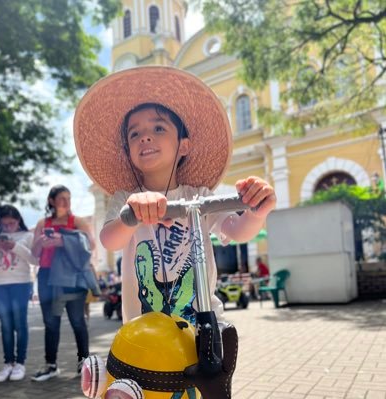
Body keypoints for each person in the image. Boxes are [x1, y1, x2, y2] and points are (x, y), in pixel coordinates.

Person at [74, 66, 277, 327]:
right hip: (144, 329)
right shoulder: (125, 198)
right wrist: (130, 216)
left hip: (201, 325)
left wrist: (256, 212)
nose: (145, 136)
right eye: (134, 133)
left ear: (183, 146)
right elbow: (109, 240)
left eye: (159, 128)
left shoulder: (199, 196)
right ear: (128, 151)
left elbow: (237, 231)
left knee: (216, 361)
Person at [31, 185, 95, 381]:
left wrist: (64, 241)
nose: (66, 202)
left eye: (69, 198)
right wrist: (41, 242)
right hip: (47, 276)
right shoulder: (43, 223)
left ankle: (82, 363)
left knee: (77, 321)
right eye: (61, 198)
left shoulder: (78, 221)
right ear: (51, 201)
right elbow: (34, 255)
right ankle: (51, 365)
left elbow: (90, 246)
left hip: (72, 277)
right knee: (50, 323)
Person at [0, 205, 37, 382]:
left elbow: (34, 259)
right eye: (4, 224)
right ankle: (8, 363)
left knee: (19, 323)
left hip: (21, 283)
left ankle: (20, 363)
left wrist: (15, 246)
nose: (8, 227)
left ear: (18, 221)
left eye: (12, 223)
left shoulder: (28, 236)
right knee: (6, 325)